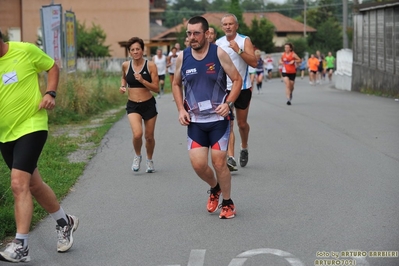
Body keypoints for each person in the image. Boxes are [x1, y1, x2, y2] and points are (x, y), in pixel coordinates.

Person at [0, 30, 79, 263]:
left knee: (17, 183)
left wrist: (50, 92)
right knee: (33, 184)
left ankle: (21, 245)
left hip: (32, 125)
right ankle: (66, 222)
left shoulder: (24, 50)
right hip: (5, 134)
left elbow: (52, 66)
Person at [172, 16, 242, 219]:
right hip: (195, 121)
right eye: (189, 33)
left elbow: (237, 79)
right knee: (198, 165)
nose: (192, 37)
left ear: (206, 34)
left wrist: (228, 104)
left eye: (196, 33)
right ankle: (215, 187)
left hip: (218, 120)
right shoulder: (182, 57)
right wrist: (181, 109)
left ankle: (228, 203)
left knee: (219, 162)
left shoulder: (218, 53)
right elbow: (176, 84)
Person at [216, 13, 257, 171]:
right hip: (224, 88)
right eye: (225, 24)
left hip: (243, 87)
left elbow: (253, 62)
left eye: (230, 24)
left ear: (236, 26)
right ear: (222, 27)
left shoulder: (244, 40)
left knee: (241, 124)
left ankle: (244, 147)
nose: (228, 27)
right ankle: (231, 157)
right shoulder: (218, 43)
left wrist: (239, 51)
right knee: (228, 123)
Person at [120, 37, 160, 173]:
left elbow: (156, 88)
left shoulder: (151, 66)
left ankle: (149, 160)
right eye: (133, 50)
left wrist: (143, 80)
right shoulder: (126, 65)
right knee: (137, 134)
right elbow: (124, 78)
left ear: (143, 50)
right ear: (129, 52)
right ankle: (137, 156)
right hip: (132, 105)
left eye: (138, 49)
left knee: (149, 137)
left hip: (148, 104)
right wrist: (122, 86)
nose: (136, 52)